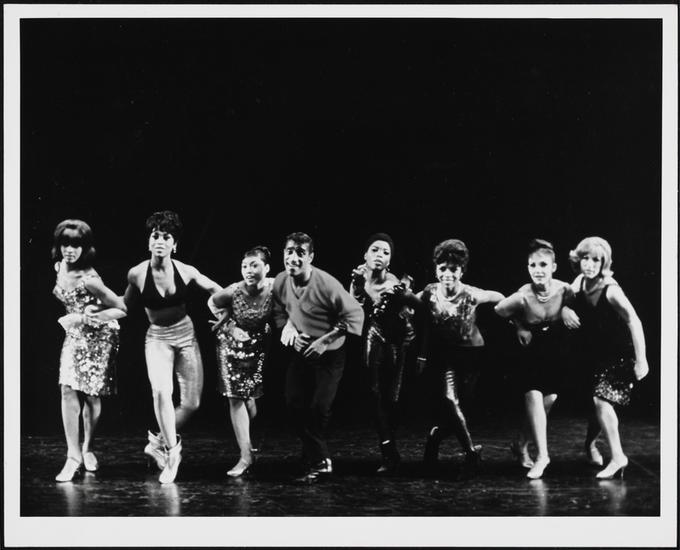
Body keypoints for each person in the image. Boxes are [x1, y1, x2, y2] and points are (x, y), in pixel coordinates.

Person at [124, 210, 221, 484]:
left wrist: (225, 312)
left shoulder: (186, 271)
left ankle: (156, 442)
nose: (160, 241)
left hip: (186, 336)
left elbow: (217, 290)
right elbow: (123, 305)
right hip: (157, 338)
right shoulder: (137, 273)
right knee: (161, 391)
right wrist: (97, 307)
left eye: (166, 237)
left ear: (174, 244)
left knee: (191, 403)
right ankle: (172, 452)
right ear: (148, 241)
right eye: (155, 236)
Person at [272, 232, 364, 483]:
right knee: (293, 403)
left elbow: (355, 315)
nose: (293, 258)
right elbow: (279, 307)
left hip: (330, 352)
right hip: (303, 349)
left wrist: (324, 341)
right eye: (289, 251)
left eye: (300, 253)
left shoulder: (326, 284)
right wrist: (289, 329)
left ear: (310, 257)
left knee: (319, 408)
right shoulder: (281, 281)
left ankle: (320, 461)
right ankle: (315, 456)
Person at [561, 237, 649, 479]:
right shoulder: (579, 282)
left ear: (603, 263)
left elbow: (634, 321)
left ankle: (618, 457)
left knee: (601, 401)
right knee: (595, 407)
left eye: (596, 260)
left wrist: (641, 359)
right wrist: (565, 309)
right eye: (585, 259)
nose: (590, 265)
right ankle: (590, 445)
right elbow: (565, 300)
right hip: (595, 353)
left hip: (619, 354)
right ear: (578, 260)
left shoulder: (611, 290)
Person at [417, 239, 504, 478]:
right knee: (450, 400)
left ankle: (435, 436)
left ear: (461, 271)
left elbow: (500, 298)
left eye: (453, 269)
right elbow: (411, 302)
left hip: (472, 356)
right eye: (442, 268)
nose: (447, 274)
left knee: (459, 409)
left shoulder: (472, 294)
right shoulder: (429, 292)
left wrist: (517, 322)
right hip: (446, 356)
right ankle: (471, 453)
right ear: (436, 269)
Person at [51, 219, 127, 482]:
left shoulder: (90, 279)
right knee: (67, 388)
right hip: (75, 334)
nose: (69, 250)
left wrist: (89, 314)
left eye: (76, 245)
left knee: (92, 395)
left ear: (85, 248)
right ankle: (72, 456)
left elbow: (121, 308)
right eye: (65, 244)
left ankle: (88, 447)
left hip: (100, 335)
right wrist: (77, 319)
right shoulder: (59, 266)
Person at [495, 238, 573, 479]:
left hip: (554, 351)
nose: (538, 270)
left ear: (553, 267)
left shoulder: (565, 290)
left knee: (548, 400)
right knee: (534, 396)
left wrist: (566, 309)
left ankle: (520, 444)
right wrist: (519, 326)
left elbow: (578, 302)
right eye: (532, 265)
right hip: (529, 351)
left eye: (543, 265)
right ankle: (542, 456)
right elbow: (499, 309)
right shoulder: (523, 295)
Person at [349, 233, 420, 475]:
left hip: (398, 340)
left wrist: (405, 307)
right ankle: (388, 449)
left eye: (385, 252)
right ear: (365, 255)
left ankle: (391, 448)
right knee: (373, 392)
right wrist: (358, 289)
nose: (380, 255)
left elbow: (411, 310)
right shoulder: (358, 278)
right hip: (373, 335)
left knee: (393, 397)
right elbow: (354, 311)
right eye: (375, 250)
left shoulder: (393, 283)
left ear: (389, 261)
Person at [208, 246, 274, 477]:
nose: (248, 270)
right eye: (245, 266)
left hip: (258, 345)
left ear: (266, 268)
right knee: (235, 398)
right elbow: (212, 302)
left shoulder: (275, 287)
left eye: (254, 265)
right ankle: (246, 455)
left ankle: (247, 442)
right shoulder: (234, 290)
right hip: (231, 344)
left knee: (250, 401)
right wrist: (228, 324)